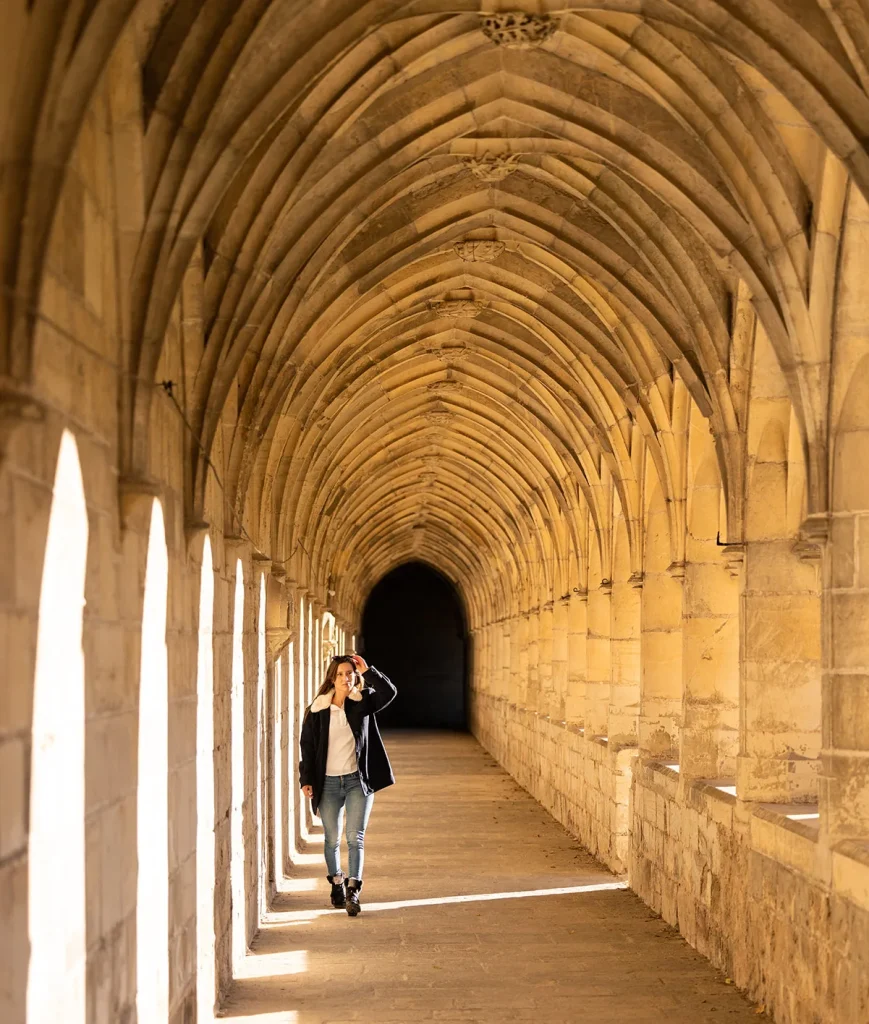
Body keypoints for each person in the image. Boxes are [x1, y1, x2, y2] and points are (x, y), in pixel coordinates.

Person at [299, 653, 396, 916]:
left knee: (356, 837)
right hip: (328, 783)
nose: (346, 678)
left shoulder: (362, 702)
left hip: (357, 781)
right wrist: (306, 779)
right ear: (332, 677)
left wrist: (368, 671)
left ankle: (354, 889)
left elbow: (389, 692)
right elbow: (307, 747)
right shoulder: (317, 710)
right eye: (341, 674)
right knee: (331, 839)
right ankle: (337, 882)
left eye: (350, 673)